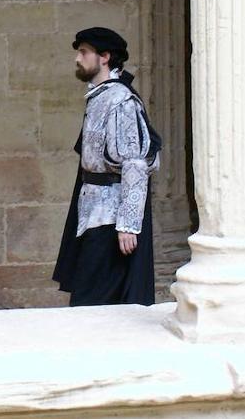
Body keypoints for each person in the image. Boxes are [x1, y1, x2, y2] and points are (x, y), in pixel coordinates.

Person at [52, 27, 160, 306]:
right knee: (89, 293)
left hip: (110, 218)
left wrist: (127, 225)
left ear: (104, 57)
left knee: (93, 297)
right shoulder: (100, 96)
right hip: (93, 211)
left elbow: (135, 163)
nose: (78, 58)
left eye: (84, 52)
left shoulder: (120, 101)